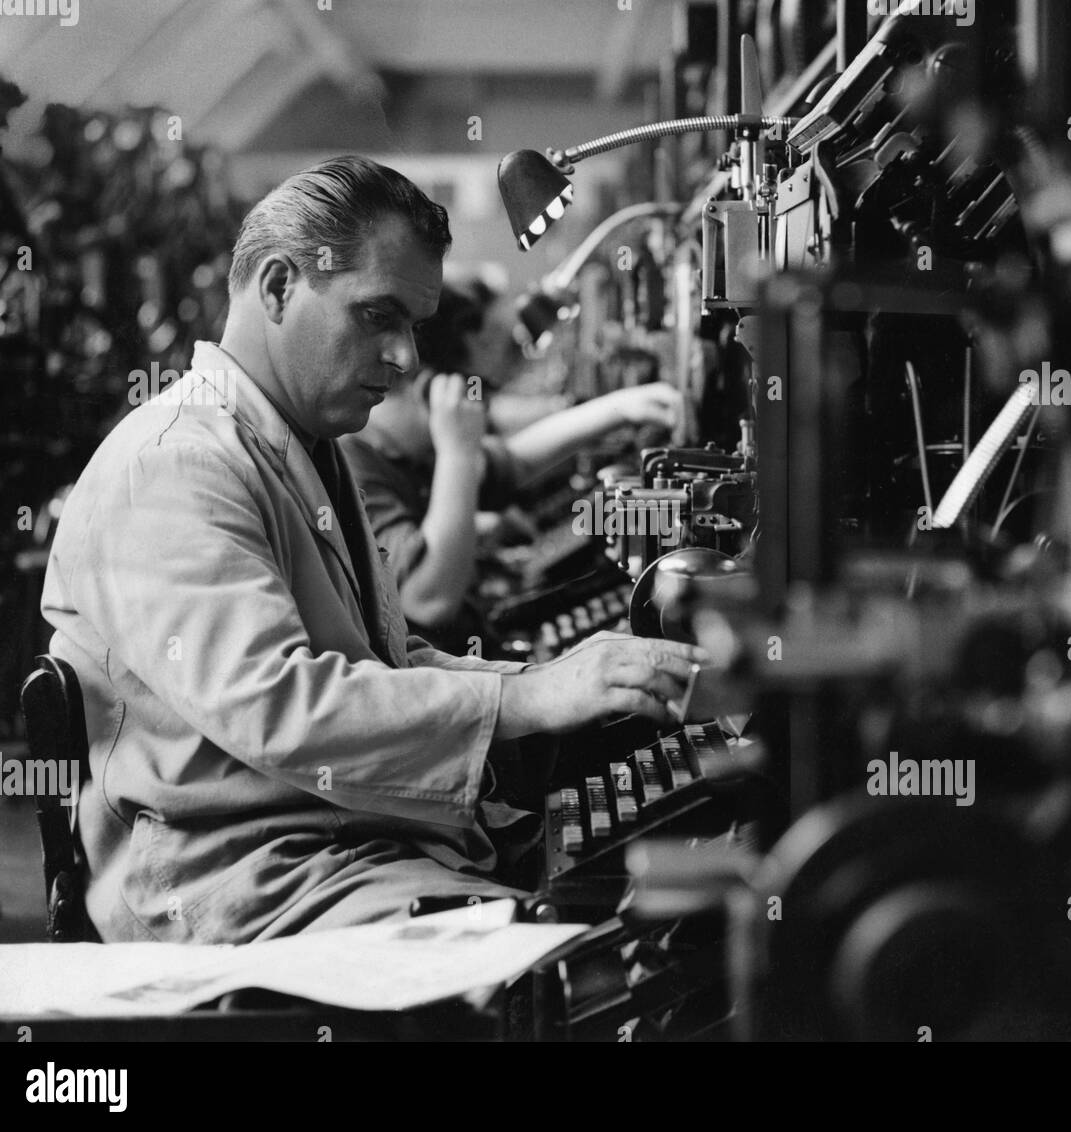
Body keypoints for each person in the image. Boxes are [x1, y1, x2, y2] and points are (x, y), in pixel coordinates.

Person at [40, 156, 704, 944]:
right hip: (242, 881)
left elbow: (378, 664)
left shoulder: (294, 446)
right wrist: (523, 701)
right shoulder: (176, 463)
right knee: (541, 968)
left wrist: (552, 679)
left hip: (337, 842)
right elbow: (279, 704)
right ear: (280, 286)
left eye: (413, 326)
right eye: (377, 316)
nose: (407, 359)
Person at [341, 283, 681, 651]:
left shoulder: (412, 454)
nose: (485, 408)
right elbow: (429, 600)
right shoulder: (357, 466)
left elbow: (515, 461)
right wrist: (458, 451)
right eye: (479, 392)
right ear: (434, 392)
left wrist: (622, 409)